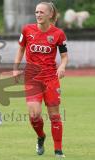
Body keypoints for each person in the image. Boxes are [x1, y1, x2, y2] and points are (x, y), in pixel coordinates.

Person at [13, 2, 68, 158]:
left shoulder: (58, 34)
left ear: (50, 15)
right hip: (32, 78)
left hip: (51, 78)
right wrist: (16, 67)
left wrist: (62, 66)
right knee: (34, 115)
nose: (38, 14)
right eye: (36, 12)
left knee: (54, 116)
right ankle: (41, 136)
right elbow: (21, 48)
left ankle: (58, 150)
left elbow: (64, 56)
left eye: (41, 12)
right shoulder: (27, 30)